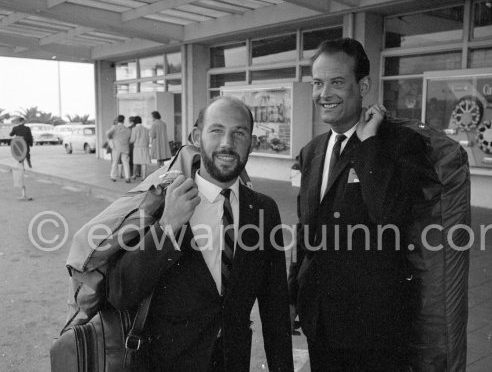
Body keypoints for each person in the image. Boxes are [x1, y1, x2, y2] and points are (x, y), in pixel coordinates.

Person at [107, 97, 293, 372]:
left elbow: (275, 307)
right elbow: (120, 293)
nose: (227, 143)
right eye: (216, 131)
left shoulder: (264, 209)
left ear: (251, 142)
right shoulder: (162, 201)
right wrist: (166, 227)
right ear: (197, 137)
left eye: (239, 133)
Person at [287, 38, 430, 371]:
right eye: (318, 83)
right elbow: (307, 230)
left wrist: (367, 146)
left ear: (363, 85)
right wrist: (292, 296)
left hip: (373, 329)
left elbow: (391, 218)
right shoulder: (312, 151)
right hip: (320, 321)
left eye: (337, 82)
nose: (325, 93)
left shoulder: (399, 144)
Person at [106, 114, 131, 183]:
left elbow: (108, 134)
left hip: (116, 147)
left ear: (117, 120)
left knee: (115, 162)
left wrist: (112, 139)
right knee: (126, 163)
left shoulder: (114, 127)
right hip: (125, 147)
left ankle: (113, 176)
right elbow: (129, 138)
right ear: (123, 120)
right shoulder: (128, 130)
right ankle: (127, 178)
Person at [129, 115, 150, 180]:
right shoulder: (146, 129)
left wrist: (129, 141)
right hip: (145, 147)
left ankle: (134, 175)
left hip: (137, 147)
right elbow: (148, 139)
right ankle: (143, 176)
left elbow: (132, 139)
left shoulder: (134, 129)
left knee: (136, 161)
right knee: (144, 162)